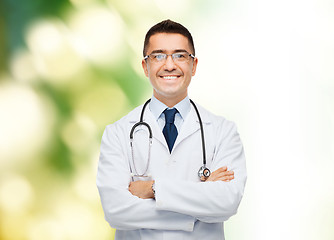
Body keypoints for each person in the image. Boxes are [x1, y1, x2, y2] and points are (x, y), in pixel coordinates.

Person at [97, 19, 247, 240]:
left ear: (193, 65)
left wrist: (153, 189)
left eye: (180, 55)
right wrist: (194, 212)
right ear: (144, 66)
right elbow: (116, 211)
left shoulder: (223, 131)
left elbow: (226, 202)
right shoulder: (117, 133)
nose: (169, 65)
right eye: (158, 56)